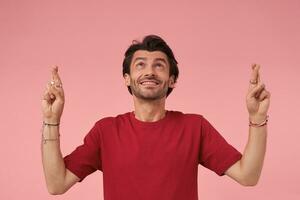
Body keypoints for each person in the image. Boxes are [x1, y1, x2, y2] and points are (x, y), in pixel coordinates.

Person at [41, 35, 271, 199]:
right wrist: (51, 120)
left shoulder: (194, 127)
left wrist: (257, 117)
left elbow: (248, 176)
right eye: (140, 65)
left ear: (171, 80)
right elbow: (56, 184)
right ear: (127, 79)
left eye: (159, 66)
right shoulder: (105, 131)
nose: (149, 71)